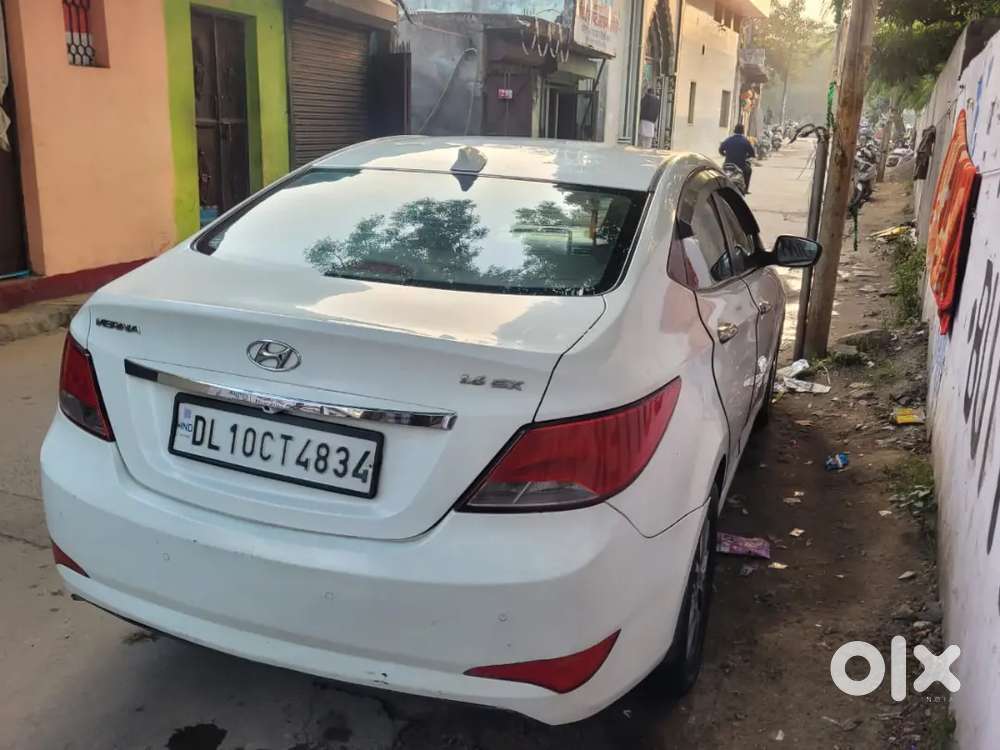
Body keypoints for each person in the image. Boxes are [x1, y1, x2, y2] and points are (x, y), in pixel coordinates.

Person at [719, 123, 756, 192]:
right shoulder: (745, 141)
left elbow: (720, 150)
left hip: (728, 164)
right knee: (749, 170)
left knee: (721, 172)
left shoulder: (728, 140)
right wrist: (745, 156)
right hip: (740, 165)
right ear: (743, 131)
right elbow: (752, 153)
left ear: (734, 130)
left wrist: (725, 155)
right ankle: (745, 189)